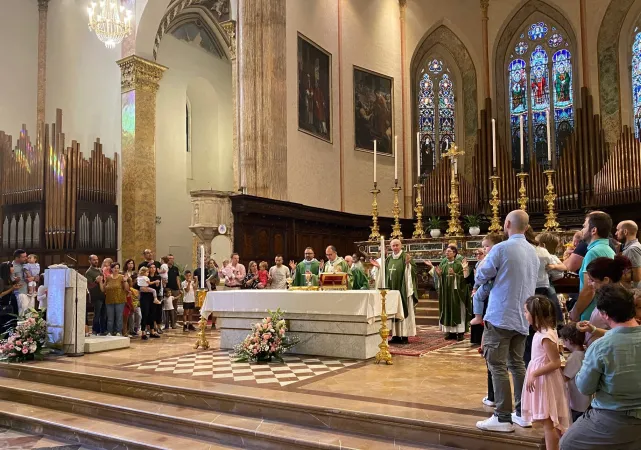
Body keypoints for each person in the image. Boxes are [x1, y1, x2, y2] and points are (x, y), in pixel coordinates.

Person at [475, 210, 539, 433]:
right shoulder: (533, 251)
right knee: (517, 364)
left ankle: (502, 417)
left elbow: (481, 275)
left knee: (497, 365)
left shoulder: (502, 248)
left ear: (508, 223)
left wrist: (483, 264)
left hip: (501, 314)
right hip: (523, 315)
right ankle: (522, 413)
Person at [560, 285, 641, 450]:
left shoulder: (600, 347)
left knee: (567, 443)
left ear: (604, 314)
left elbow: (585, 387)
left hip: (613, 418)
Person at [521, 295, 571, 450]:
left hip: (545, 381)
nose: (525, 314)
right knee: (547, 422)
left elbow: (555, 362)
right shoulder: (542, 332)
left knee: (549, 423)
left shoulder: (545, 336)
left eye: (526, 311)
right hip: (542, 379)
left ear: (535, 315)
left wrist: (534, 374)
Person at [576, 255, 631, 347]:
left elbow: (622, 334)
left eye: (592, 280)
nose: (589, 283)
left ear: (606, 280)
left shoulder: (618, 301)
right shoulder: (607, 297)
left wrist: (593, 330)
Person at [571, 212, 615, 322]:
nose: (582, 230)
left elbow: (589, 289)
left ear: (593, 230)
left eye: (585, 226)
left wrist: (575, 312)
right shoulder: (607, 248)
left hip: (591, 313)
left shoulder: (593, 252)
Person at [372, 239, 417, 344]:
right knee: (393, 311)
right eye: (393, 246)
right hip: (391, 290)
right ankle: (395, 335)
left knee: (403, 310)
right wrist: (379, 268)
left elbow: (414, 271)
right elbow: (385, 273)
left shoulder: (406, 257)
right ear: (390, 247)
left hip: (403, 289)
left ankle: (404, 335)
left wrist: (408, 266)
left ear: (401, 246)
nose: (395, 247)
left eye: (397, 245)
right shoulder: (388, 259)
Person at [430, 245, 470, 341]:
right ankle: (450, 332)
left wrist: (455, 275)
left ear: (454, 253)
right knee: (447, 309)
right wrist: (439, 275)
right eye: (446, 251)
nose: (447, 253)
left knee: (458, 310)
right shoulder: (443, 265)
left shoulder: (459, 264)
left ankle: (460, 332)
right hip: (446, 293)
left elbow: (465, 278)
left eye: (449, 251)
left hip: (456, 293)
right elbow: (440, 278)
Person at [558, 323, 590, 423]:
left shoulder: (575, 357)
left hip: (577, 402)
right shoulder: (584, 352)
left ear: (569, 341)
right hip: (584, 400)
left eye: (564, 340)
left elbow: (565, 378)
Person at [99, 262, 129, 336]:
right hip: (109, 300)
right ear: (111, 269)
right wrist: (100, 282)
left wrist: (125, 281)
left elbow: (126, 289)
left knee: (119, 317)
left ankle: (118, 331)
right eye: (114, 268)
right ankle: (110, 331)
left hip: (120, 300)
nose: (116, 269)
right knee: (110, 318)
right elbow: (103, 289)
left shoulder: (122, 277)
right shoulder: (108, 277)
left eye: (118, 268)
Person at [616, 220, 641, 288]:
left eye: (618, 230)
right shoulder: (632, 247)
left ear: (625, 232)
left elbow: (637, 277)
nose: (616, 233)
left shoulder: (632, 249)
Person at [86, 255, 106, 336]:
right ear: (89, 261)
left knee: (103, 314)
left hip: (102, 294)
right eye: (94, 260)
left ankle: (102, 330)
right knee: (97, 314)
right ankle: (95, 330)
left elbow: (103, 281)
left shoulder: (100, 270)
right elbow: (89, 285)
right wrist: (96, 281)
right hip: (95, 296)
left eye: (97, 259)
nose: (96, 261)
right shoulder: (89, 272)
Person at [0, 262, 19, 334]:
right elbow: (1, 294)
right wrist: (12, 288)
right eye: (11, 267)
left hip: (11, 301)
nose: (13, 269)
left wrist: (15, 284)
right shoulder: (1, 279)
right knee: (6, 323)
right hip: (5, 303)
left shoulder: (8, 278)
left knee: (13, 321)